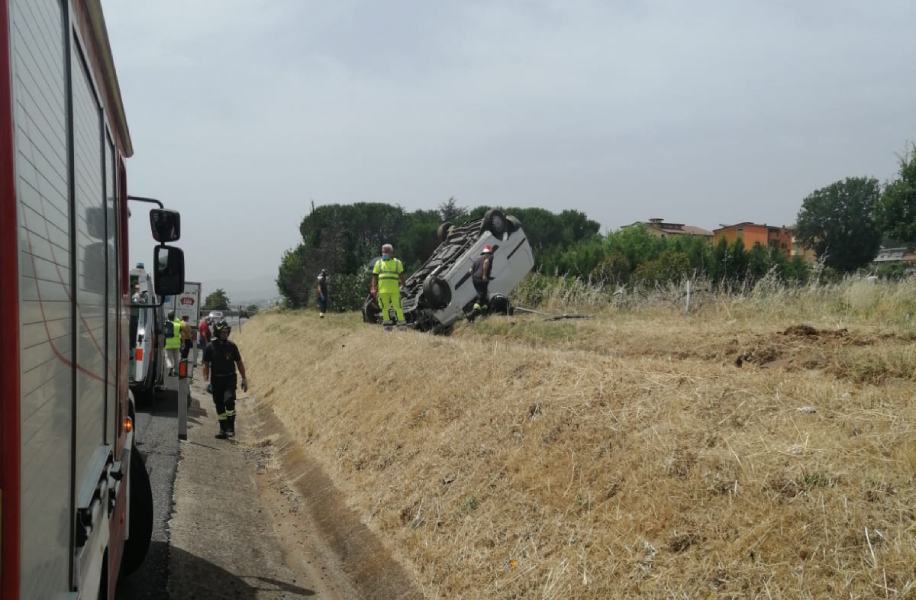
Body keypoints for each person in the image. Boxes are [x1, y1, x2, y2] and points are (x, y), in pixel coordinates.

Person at [202, 319, 248, 439]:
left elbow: (239, 362)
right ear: (217, 333)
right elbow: (206, 365)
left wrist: (244, 378)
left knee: (229, 401)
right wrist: (206, 381)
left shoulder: (232, 346)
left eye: (226, 331)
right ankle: (223, 429)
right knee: (219, 405)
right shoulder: (209, 347)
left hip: (229, 379)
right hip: (216, 380)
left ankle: (230, 428)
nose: (225, 334)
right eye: (222, 332)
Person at [371, 243, 406, 324]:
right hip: (382, 290)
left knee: (397, 306)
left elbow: (401, 275)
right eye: (383, 251)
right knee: (384, 307)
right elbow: (374, 276)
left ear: (392, 253)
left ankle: (401, 322)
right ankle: (387, 323)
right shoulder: (378, 263)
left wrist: (404, 285)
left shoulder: (397, 262)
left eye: (387, 251)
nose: (385, 253)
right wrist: (373, 288)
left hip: (394, 290)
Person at [471, 244, 494, 312]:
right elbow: (486, 263)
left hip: (475, 279)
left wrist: (475, 275)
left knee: (482, 293)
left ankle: (484, 308)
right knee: (482, 295)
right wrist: (484, 275)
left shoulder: (477, 259)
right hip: (481, 279)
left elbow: (470, 270)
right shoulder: (488, 258)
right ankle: (476, 309)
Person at [164, 310, 183, 376]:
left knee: (168, 357)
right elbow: (181, 334)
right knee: (176, 358)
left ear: (168, 317)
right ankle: (176, 371)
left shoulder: (166, 324)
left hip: (168, 344)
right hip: (176, 344)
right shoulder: (178, 325)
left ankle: (170, 367)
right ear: (174, 317)